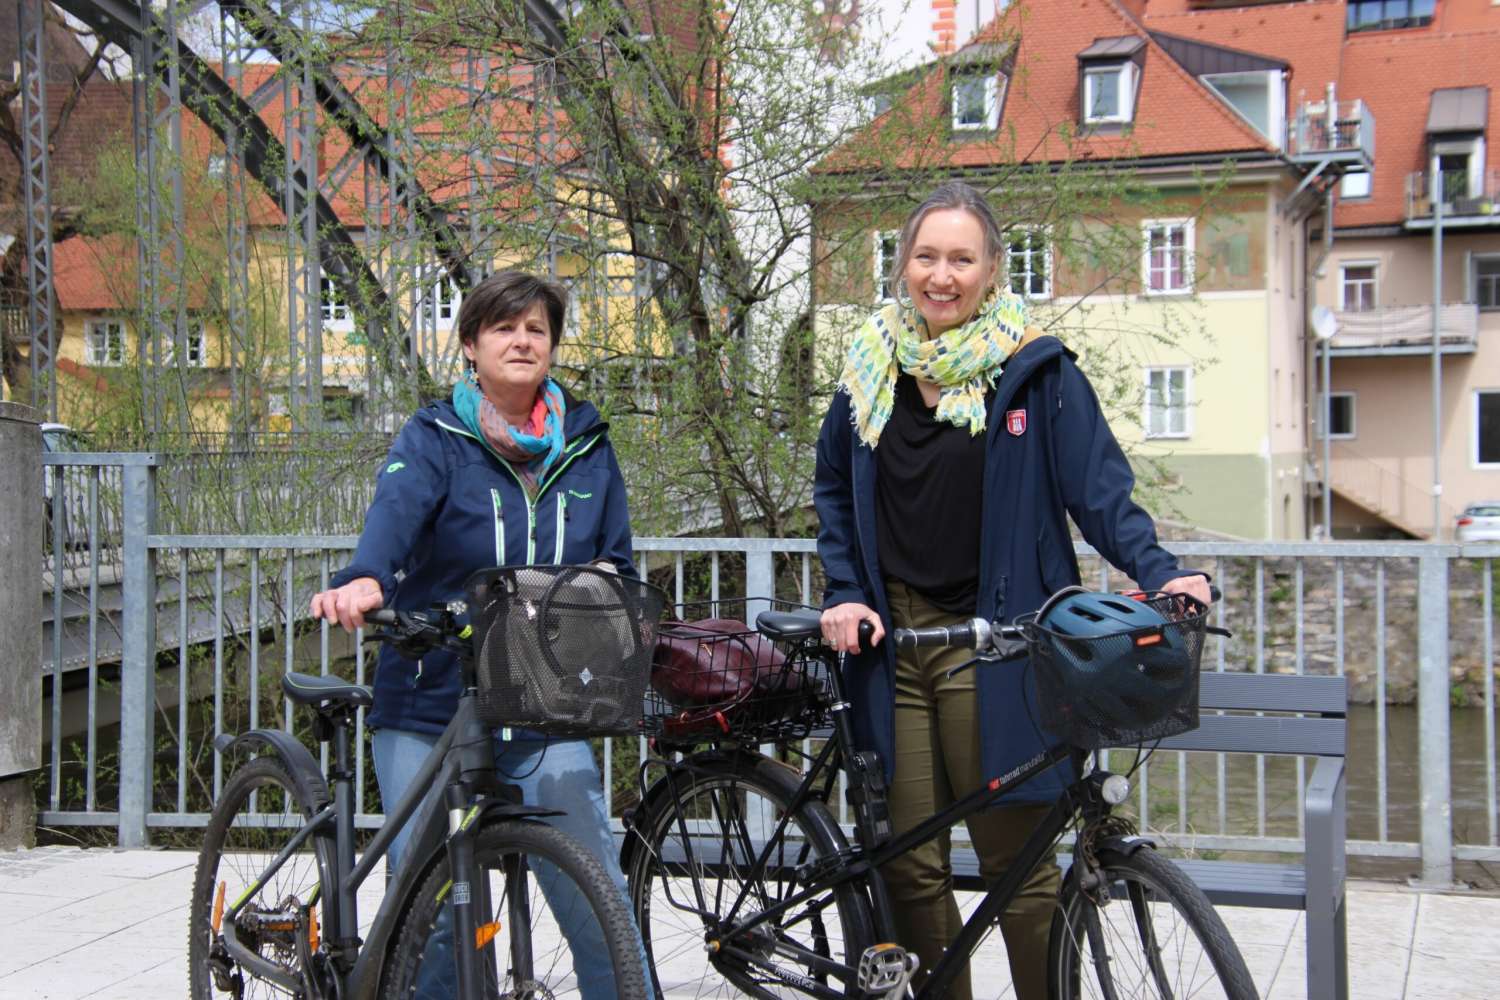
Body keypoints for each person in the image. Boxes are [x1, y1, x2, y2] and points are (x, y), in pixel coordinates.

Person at [814, 181, 1211, 1000]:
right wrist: (846, 590)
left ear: (993, 270)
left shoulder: (1036, 372)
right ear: (903, 266)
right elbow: (831, 487)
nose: (942, 275)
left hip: (997, 644)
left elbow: (1099, 489)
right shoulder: (868, 368)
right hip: (892, 645)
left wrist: (1160, 570)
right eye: (927, 256)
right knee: (910, 864)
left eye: (962, 258)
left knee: (1018, 864)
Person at [309, 269, 641, 998]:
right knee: (427, 904)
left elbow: (616, 557)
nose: (522, 341)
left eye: (537, 330)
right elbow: (396, 510)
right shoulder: (436, 437)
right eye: (504, 327)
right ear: (470, 344)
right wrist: (367, 575)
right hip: (432, 698)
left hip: (544, 703)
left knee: (597, 896)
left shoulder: (586, 444)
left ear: (552, 347)